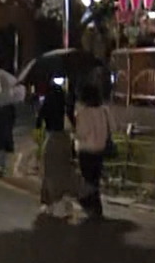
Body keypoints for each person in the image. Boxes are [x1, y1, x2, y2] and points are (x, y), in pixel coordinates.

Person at [72, 82, 114, 219]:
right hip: (100, 149)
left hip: (86, 150)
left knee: (87, 179)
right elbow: (113, 127)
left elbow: (81, 133)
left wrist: (74, 133)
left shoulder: (83, 113)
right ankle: (96, 207)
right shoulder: (104, 111)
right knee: (95, 179)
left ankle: (89, 205)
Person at [36, 82, 78, 216]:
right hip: (65, 141)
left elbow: (38, 123)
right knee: (65, 171)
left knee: (49, 172)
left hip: (51, 140)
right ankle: (66, 204)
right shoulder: (66, 107)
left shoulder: (46, 106)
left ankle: (48, 203)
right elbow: (74, 125)